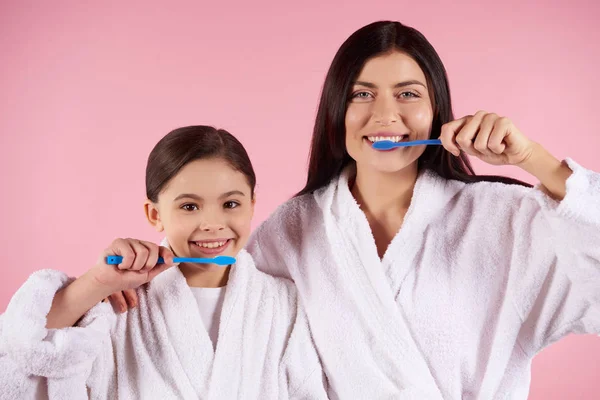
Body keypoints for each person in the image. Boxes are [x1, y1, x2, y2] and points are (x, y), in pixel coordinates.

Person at [244, 21, 600, 398]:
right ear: (336, 111)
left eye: (408, 94)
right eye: (362, 94)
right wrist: (176, 278)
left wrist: (532, 158)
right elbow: (235, 342)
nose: (384, 114)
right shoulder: (290, 232)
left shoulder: (505, 220)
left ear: (436, 111)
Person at [0, 126, 328, 399]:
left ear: (253, 204)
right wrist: (98, 283)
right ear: (154, 214)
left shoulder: (285, 303)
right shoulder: (121, 298)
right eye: (189, 207)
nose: (213, 223)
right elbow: (23, 355)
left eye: (230, 203)